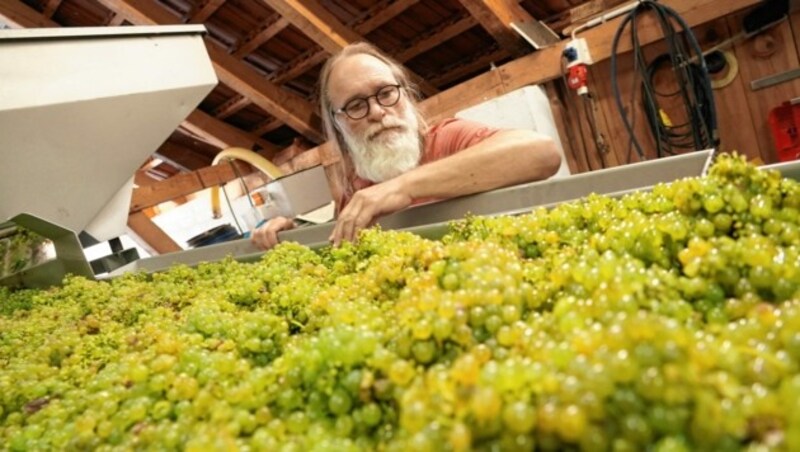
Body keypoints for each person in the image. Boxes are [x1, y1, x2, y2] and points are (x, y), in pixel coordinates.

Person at [251, 42, 561, 250]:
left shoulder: (447, 139)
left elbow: (541, 153)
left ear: (406, 96)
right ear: (340, 125)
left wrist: (404, 187)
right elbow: (343, 245)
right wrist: (293, 235)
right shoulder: (354, 185)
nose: (377, 112)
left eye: (386, 93)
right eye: (356, 105)